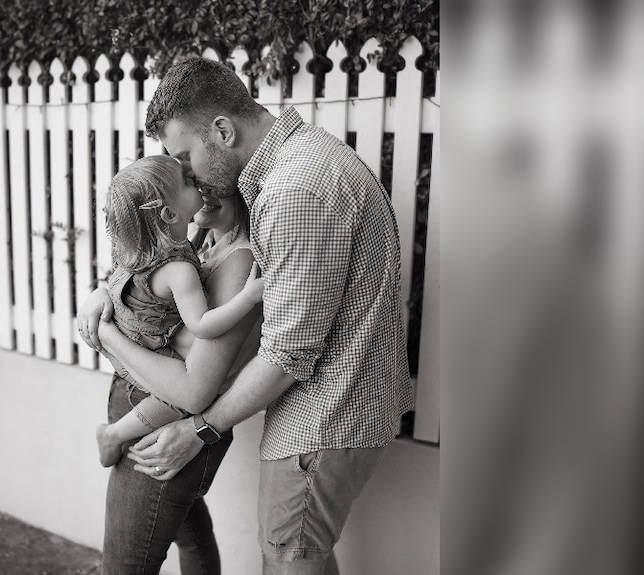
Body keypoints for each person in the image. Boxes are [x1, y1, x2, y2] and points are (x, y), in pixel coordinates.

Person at [80, 57, 414, 574]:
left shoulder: (294, 191)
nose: (185, 173)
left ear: (222, 129)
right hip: (327, 411)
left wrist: (202, 430)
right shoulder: (289, 171)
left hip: (324, 416)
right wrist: (110, 290)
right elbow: (159, 258)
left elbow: (288, 353)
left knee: (286, 562)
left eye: (185, 156)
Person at [78, 184, 263, 574]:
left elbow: (194, 389)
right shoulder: (199, 240)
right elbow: (139, 282)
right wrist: (102, 293)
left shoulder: (240, 260)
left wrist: (106, 333)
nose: (199, 194)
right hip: (145, 403)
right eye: (193, 185)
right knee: (190, 533)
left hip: (168, 424)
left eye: (214, 187)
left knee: (126, 563)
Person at [93, 155, 263, 467]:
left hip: (134, 372)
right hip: (145, 383)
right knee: (175, 405)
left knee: (179, 517)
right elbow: (201, 325)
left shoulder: (159, 250)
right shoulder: (182, 260)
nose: (198, 184)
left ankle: (114, 434)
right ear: (170, 212)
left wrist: (105, 322)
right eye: (189, 182)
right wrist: (247, 298)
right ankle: (114, 434)